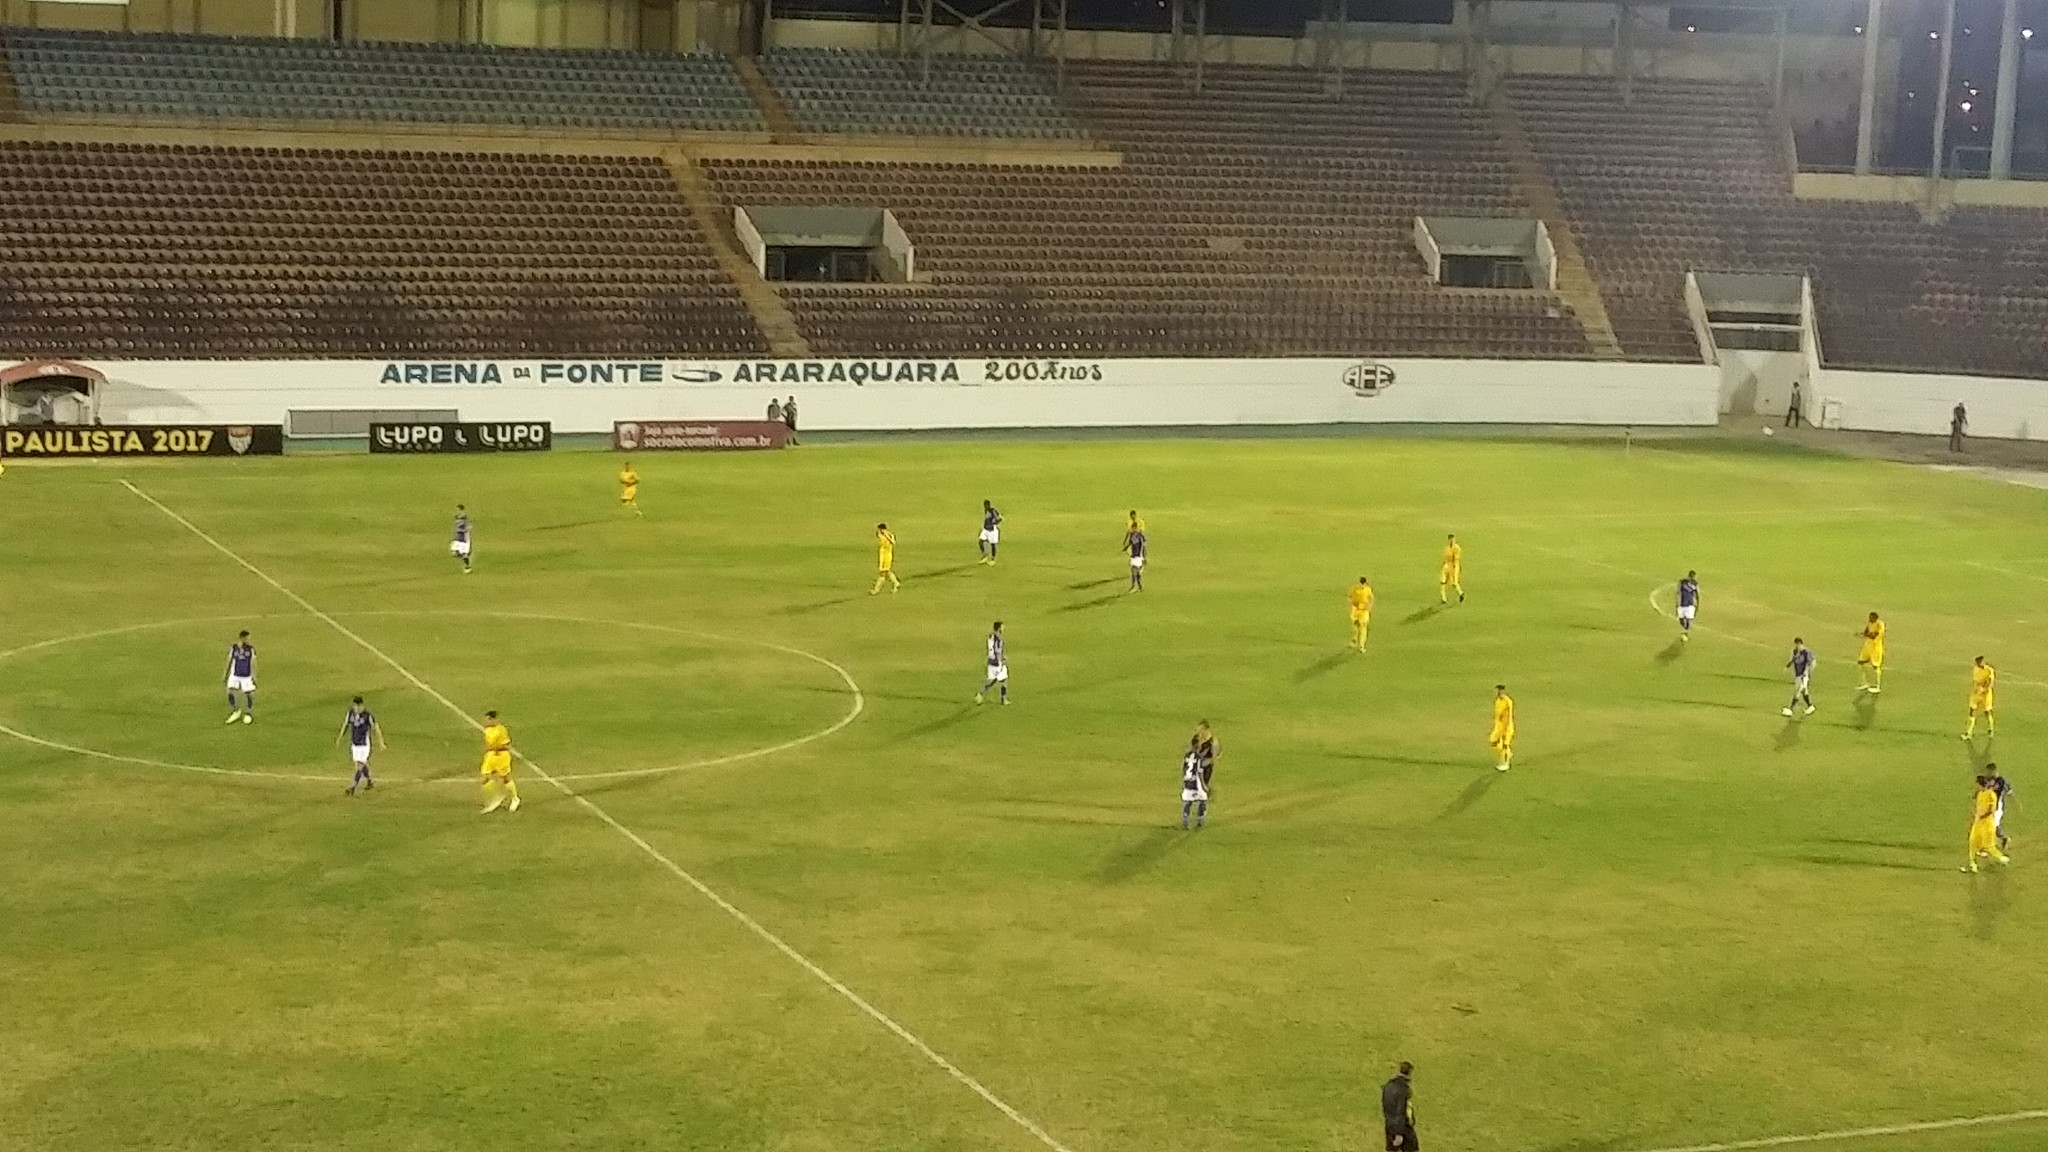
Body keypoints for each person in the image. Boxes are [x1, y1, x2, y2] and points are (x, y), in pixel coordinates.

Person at [337, 696, 385, 796]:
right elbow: (345, 725)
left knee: (359, 767)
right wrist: (340, 737)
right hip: (355, 744)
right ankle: (369, 781)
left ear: (362, 705)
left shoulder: (367, 715)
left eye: (358, 706)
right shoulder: (351, 713)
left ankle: (353, 787)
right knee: (362, 764)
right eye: (355, 706)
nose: (357, 708)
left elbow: (376, 728)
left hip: (364, 745)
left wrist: (381, 742)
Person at [1964, 773, 2009, 872]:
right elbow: (1978, 807)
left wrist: (1981, 815)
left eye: (1977, 785)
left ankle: (2001, 858)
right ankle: (1972, 864)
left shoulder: (1991, 795)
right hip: (1978, 824)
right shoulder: (1980, 793)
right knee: (1972, 842)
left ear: (1981, 784)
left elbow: (1991, 810)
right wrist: (1976, 815)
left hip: (1987, 824)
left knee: (1988, 846)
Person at [480, 709, 520, 814]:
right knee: (485, 779)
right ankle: (495, 798)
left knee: (506, 777)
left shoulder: (501, 730)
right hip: (490, 756)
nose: (486, 722)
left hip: (502, 756)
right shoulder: (487, 730)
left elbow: (507, 746)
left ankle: (515, 799)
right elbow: (487, 743)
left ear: (493, 719)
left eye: (488, 720)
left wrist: (493, 748)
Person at [1381, 1061, 1419, 1150]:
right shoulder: (1403, 1089)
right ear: (1409, 1072)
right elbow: (1400, 1111)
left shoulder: (1388, 1085)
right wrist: (1399, 1133)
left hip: (1389, 1126)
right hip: (1402, 1128)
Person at [224, 630, 257, 725]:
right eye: (247, 638)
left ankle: (248, 712)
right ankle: (236, 710)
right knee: (230, 692)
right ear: (242, 638)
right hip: (235, 674)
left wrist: (254, 676)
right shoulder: (234, 648)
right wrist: (226, 674)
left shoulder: (250, 649)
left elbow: (253, 663)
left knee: (249, 694)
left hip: (246, 676)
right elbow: (229, 661)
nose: (249, 640)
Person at [976, 621, 1009, 705]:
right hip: (997, 662)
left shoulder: (991, 636)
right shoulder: (999, 638)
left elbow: (990, 648)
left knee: (993, 680)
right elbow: (997, 650)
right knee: (1003, 680)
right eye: (1002, 627)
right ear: (999, 628)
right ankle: (1004, 699)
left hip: (991, 661)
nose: (1003, 628)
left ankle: (980, 694)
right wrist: (1001, 659)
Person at [1783, 638, 1816, 717]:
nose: (1796, 646)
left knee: (1798, 691)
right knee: (1804, 692)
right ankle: (1810, 706)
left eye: (1797, 645)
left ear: (1800, 644)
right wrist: (1787, 666)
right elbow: (1793, 660)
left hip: (1804, 676)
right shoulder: (1795, 651)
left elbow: (1812, 663)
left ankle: (1790, 709)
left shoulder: (1806, 652)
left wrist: (1807, 672)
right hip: (1798, 675)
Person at [1965, 655, 1996, 740]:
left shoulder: (1989, 670)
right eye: (1977, 663)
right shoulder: (1975, 669)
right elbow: (1975, 680)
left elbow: (1990, 682)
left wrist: (1983, 689)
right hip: (1976, 694)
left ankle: (1990, 729)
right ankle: (1969, 732)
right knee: (1972, 710)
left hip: (1986, 695)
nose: (1978, 664)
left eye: (1979, 662)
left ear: (1983, 662)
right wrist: (1975, 689)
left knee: (1987, 712)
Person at [1855, 612, 1885, 694]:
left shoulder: (1880, 625)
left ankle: (1877, 686)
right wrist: (1863, 634)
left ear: (1875, 618)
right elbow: (1866, 631)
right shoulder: (1870, 623)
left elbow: (1873, 636)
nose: (1869, 619)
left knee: (1876, 666)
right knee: (1860, 663)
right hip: (1867, 646)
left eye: (1871, 618)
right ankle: (1864, 683)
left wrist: (1865, 634)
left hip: (1875, 648)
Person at [1180, 746, 1207, 830]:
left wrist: (1184, 781)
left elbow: (1183, 768)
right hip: (1196, 784)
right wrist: (1204, 786)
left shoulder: (1187, 755)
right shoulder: (1199, 758)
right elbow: (1199, 772)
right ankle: (1200, 820)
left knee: (1188, 802)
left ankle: (1185, 820)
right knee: (1203, 800)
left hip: (1187, 782)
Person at [1490, 684, 1514, 772]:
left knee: (1505, 744)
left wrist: (1505, 728)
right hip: (1498, 727)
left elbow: (1509, 716)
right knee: (1493, 742)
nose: (1499, 692)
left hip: (1506, 726)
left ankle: (1505, 763)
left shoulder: (1507, 701)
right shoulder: (1497, 700)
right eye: (1498, 690)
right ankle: (1508, 754)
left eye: (1500, 690)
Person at [871, 522, 900, 595]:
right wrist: (885, 533)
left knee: (883, 573)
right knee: (886, 572)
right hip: (882, 557)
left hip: (886, 557)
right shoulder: (881, 535)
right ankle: (896, 583)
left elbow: (893, 542)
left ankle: (876, 589)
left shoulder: (889, 536)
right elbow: (878, 535)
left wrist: (887, 535)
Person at [1348, 576, 1375, 650]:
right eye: (1361, 583)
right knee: (1355, 626)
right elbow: (1350, 597)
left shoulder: (1368, 589)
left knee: (1363, 627)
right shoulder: (1355, 589)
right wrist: (1352, 605)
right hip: (1356, 610)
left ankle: (1361, 645)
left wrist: (1369, 607)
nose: (1362, 585)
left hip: (1364, 611)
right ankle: (1354, 640)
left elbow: (1371, 598)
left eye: (1363, 583)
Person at [1123, 512, 1147, 592]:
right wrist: (1125, 547)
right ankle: (1138, 587)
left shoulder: (1138, 535)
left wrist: (1144, 557)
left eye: (1134, 528)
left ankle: (1135, 587)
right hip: (1134, 556)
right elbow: (1131, 543)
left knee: (1135, 572)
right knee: (1135, 572)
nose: (1133, 529)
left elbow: (1143, 546)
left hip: (1138, 556)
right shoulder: (1134, 535)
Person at [1989, 768, 2012, 851]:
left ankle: (2003, 839)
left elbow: (1998, 788)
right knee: (1991, 826)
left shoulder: (2001, 781)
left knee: (1994, 826)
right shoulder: (1991, 780)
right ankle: (2003, 839)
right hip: (1991, 807)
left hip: (1997, 808)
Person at [1675, 570, 1700, 641]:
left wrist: (1697, 604)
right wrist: (1677, 604)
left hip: (1690, 604)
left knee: (1689, 620)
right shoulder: (1682, 582)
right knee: (1681, 620)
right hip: (1682, 604)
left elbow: (1697, 594)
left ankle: (1685, 633)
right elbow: (1678, 593)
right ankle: (1685, 631)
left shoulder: (1695, 584)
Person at [1440, 534, 1464, 604]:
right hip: (1446, 566)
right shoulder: (1447, 548)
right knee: (1442, 582)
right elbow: (1445, 558)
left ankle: (1461, 593)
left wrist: (1454, 568)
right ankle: (1443, 598)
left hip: (1453, 567)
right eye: (1450, 540)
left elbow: (1456, 559)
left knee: (1453, 583)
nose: (1452, 541)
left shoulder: (1456, 548)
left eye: (1453, 540)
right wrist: (1444, 564)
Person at [978, 499, 1002, 566]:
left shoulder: (993, 511)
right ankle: (985, 556)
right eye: (984, 505)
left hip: (992, 530)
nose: (985, 506)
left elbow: (1000, 518)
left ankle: (993, 559)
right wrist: (982, 528)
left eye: (986, 505)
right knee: (980, 542)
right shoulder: (986, 511)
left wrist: (995, 523)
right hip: (986, 529)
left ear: (989, 505)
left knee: (992, 545)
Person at [450, 505, 473, 574]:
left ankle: (467, 567)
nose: (456, 511)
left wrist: (466, 530)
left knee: (464, 553)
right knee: (454, 553)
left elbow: (469, 527)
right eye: (456, 510)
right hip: (458, 537)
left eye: (458, 510)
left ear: (462, 510)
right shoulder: (457, 517)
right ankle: (466, 563)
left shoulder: (464, 518)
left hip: (464, 538)